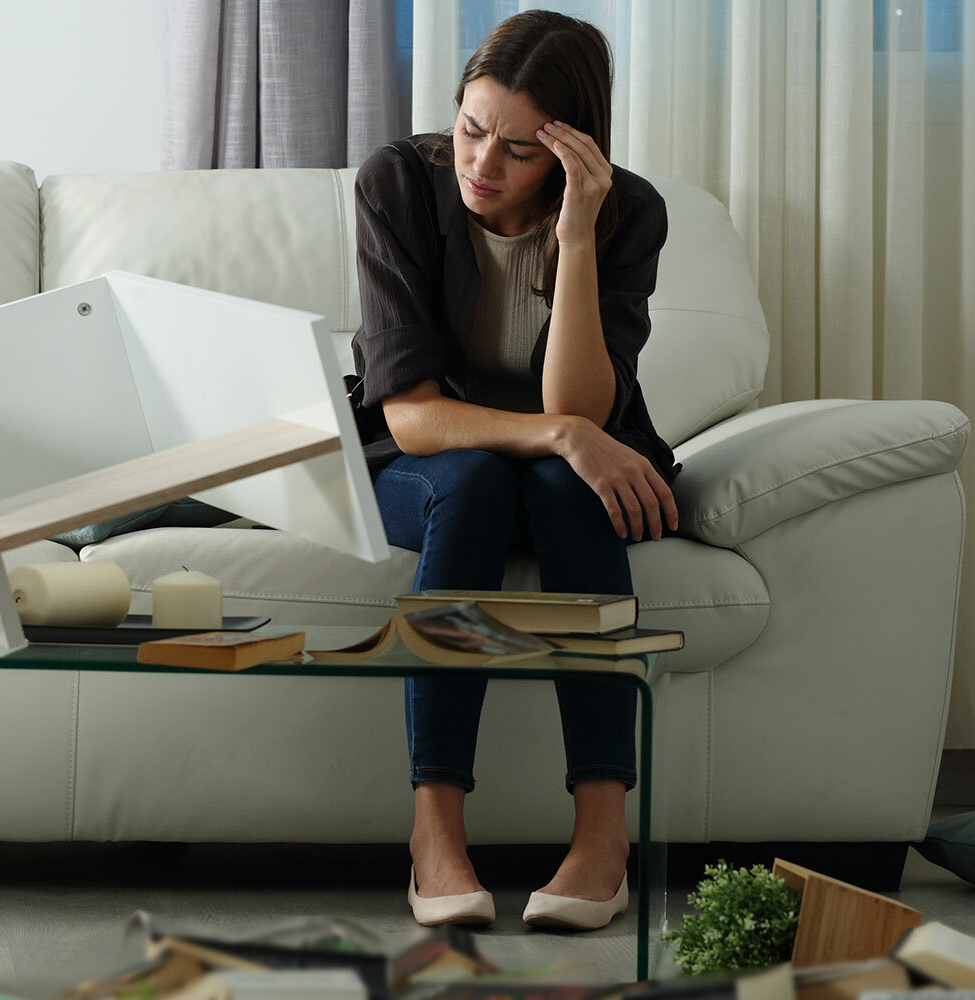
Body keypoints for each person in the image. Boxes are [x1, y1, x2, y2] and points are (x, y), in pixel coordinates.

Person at [349, 9, 679, 930]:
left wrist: (576, 236)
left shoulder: (628, 213)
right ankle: (436, 833)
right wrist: (562, 436)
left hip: (560, 472)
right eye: (469, 129)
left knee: (559, 480)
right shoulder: (396, 185)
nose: (481, 165)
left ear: (573, 152)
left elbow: (582, 407)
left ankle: (603, 838)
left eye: (519, 150)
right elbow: (412, 417)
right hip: (433, 466)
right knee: (483, 477)